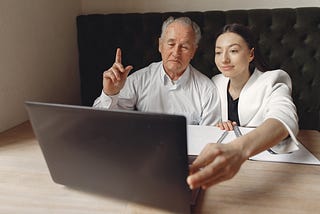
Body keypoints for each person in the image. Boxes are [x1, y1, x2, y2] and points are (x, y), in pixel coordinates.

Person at [187, 23, 299, 189]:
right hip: (222, 173)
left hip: (267, 170)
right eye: (218, 52)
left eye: (233, 51)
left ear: (251, 54)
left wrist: (239, 150)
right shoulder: (214, 83)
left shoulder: (273, 80)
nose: (224, 59)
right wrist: (218, 125)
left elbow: (283, 117)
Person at [93, 16, 221, 125]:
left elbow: (209, 140)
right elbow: (99, 122)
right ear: (160, 45)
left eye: (185, 47)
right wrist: (110, 93)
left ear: (193, 51)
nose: (176, 53)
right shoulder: (139, 79)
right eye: (171, 44)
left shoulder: (207, 90)